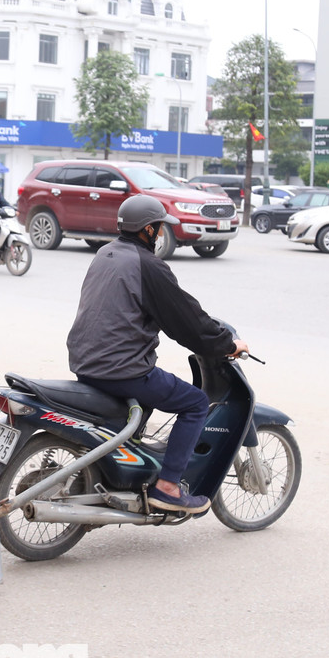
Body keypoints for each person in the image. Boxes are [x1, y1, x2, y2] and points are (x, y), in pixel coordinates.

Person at [66, 195, 249, 515]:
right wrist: (226, 344)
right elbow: (186, 320)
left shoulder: (105, 253)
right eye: (160, 227)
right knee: (195, 403)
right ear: (148, 230)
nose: (163, 233)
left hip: (85, 361)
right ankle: (168, 488)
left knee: (151, 395)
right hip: (121, 369)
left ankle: (127, 471)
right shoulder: (148, 265)